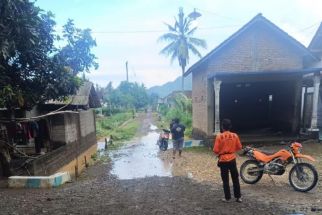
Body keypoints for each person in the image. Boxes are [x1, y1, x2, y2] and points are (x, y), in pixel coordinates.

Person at [213, 119, 242, 203]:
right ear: (230, 126)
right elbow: (239, 147)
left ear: (222, 127)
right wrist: (232, 150)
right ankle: (238, 197)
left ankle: (227, 198)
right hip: (232, 158)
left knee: (225, 180)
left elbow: (215, 150)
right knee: (235, 178)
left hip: (223, 160)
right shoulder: (235, 135)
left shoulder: (219, 136)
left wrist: (221, 152)